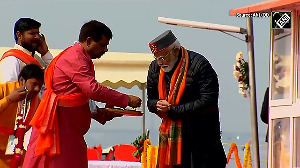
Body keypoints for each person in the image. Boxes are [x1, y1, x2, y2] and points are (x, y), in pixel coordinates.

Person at [23, 20, 142, 168]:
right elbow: (92, 89)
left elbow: (81, 94)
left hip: (69, 130)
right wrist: (126, 99)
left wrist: (97, 112)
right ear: (89, 41)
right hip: (60, 128)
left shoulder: (80, 58)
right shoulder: (75, 57)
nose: (105, 50)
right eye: (103, 45)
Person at [147, 30, 227, 168]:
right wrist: (157, 105)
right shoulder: (155, 68)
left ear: (176, 51)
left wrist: (173, 110)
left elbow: (208, 100)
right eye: (157, 58)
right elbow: (151, 100)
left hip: (202, 138)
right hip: (171, 138)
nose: (160, 62)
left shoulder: (199, 65)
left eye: (163, 57)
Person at [0, 64, 44, 168]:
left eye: (40, 85)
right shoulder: (4, 89)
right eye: (34, 84)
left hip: (14, 151)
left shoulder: (38, 102)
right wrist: (8, 100)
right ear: (22, 81)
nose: (37, 89)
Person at [0, 17, 53, 83]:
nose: (37, 37)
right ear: (19, 35)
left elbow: (56, 75)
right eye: (32, 33)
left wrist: (45, 53)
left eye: (38, 33)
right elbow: (8, 90)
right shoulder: (11, 60)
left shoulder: (37, 59)